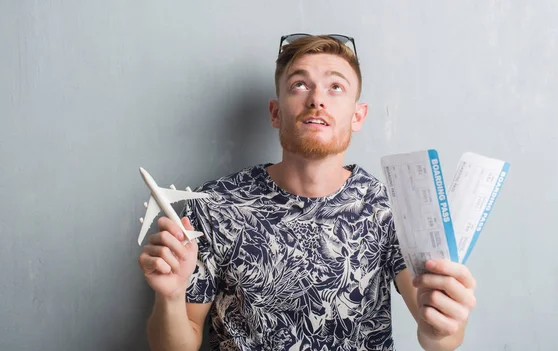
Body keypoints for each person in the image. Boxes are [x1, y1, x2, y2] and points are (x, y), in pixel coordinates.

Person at [138, 33, 477, 351]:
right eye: (300, 84)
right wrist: (169, 297)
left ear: (357, 116)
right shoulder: (212, 207)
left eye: (335, 87)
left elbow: (438, 338)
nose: (317, 99)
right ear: (275, 112)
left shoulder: (390, 209)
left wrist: (442, 326)